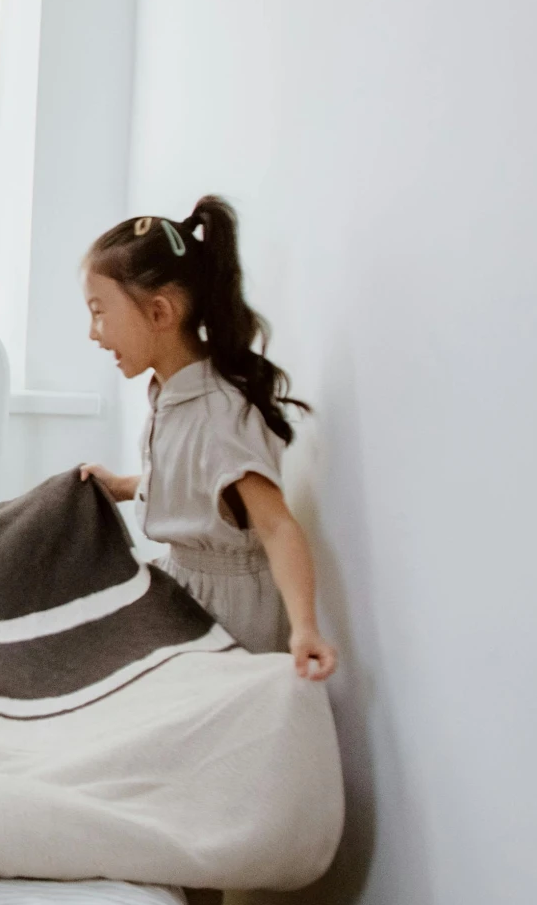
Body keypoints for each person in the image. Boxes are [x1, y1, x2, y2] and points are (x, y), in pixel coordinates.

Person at [76, 197, 339, 683]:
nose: (94, 334)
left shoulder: (220, 415)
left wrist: (305, 628)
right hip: (184, 586)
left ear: (159, 312)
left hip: (230, 613)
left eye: (99, 313)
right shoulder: (173, 393)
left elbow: (276, 525)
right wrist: (124, 485)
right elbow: (193, 484)